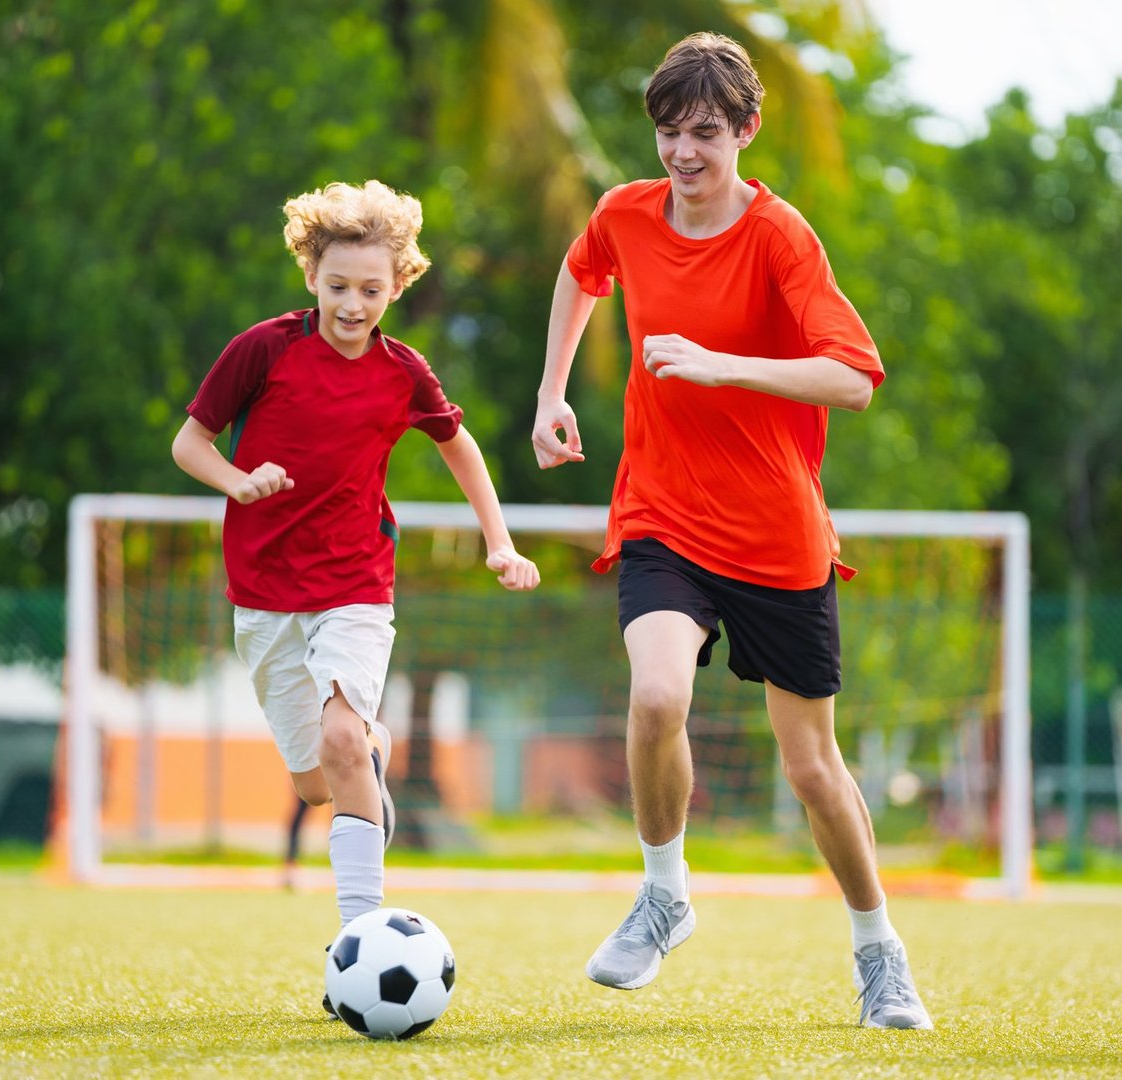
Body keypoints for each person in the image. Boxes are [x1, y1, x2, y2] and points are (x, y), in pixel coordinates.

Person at [530, 33, 931, 1030]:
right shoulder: (625, 211)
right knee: (658, 691)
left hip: (776, 536)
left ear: (746, 129)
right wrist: (550, 393)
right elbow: (583, 274)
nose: (683, 153)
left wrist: (722, 364)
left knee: (811, 769)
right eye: (668, 131)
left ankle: (880, 950)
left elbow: (853, 377)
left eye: (704, 132)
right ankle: (665, 893)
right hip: (661, 511)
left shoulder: (780, 237)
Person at [174, 179, 540, 1015]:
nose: (352, 303)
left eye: (371, 290)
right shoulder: (262, 351)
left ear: (396, 288)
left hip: (355, 585)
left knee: (343, 743)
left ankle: (357, 944)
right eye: (338, 285)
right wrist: (239, 480)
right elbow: (189, 442)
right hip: (265, 596)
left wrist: (500, 542)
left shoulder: (402, 371)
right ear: (310, 274)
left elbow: (462, 447)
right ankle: (361, 761)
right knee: (316, 784)